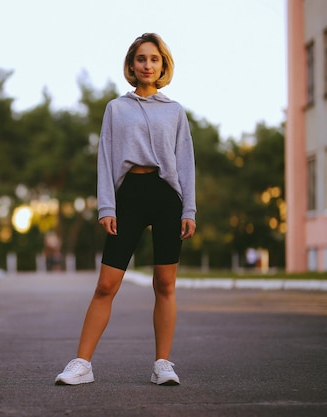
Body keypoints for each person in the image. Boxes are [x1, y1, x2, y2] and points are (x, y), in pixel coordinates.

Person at [55, 33, 196, 386]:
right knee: (106, 284)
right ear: (131, 66)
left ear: (163, 65)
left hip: (166, 196)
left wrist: (188, 210)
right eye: (141, 59)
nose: (147, 65)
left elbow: (185, 163)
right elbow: (105, 158)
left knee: (165, 284)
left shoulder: (175, 111)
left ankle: (162, 363)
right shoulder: (116, 108)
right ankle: (82, 364)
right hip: (128, 194)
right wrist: (106, 205)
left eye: (154, 59)